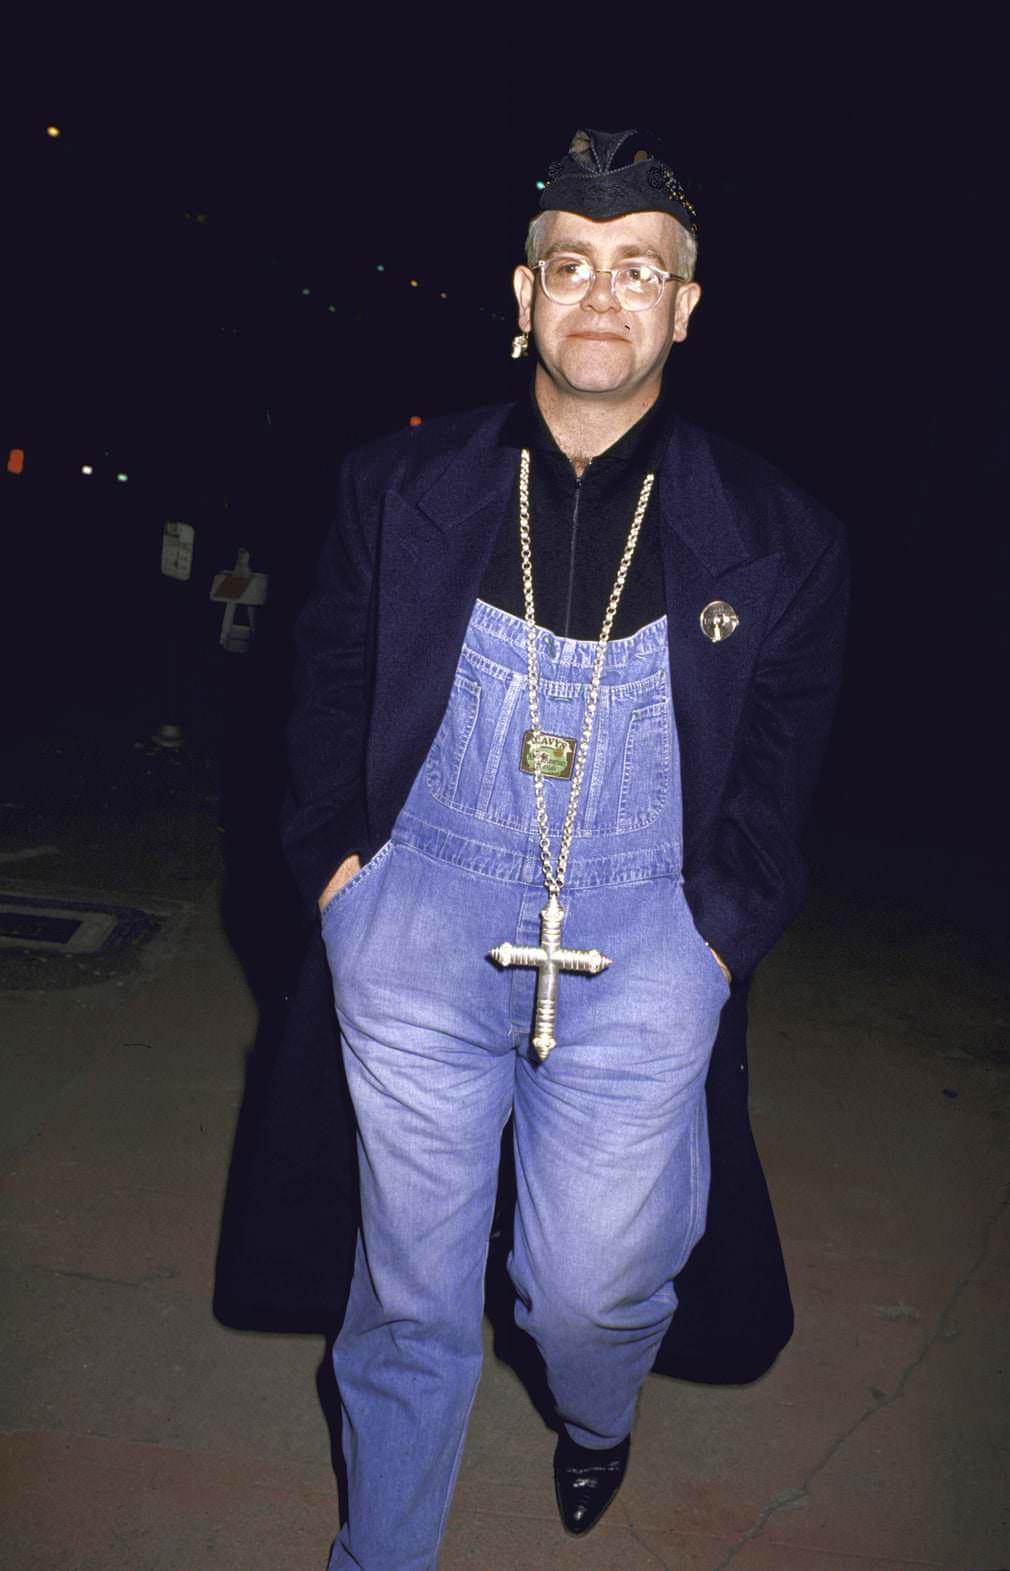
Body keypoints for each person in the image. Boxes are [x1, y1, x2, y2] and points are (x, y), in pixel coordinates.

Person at [279, 128, 848, 1569]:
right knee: (407, 1295)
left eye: (640, 270)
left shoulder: (777, 533)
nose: (604, 295)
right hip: (416, 920)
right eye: (572, 266)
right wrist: (345, 878)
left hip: (648, 927)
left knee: (587, 1291)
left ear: (685, 307)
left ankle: (595, 1414)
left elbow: (779, 774)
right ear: (522, 295)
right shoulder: (394, 489)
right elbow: (326, 693)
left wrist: (718, 933)